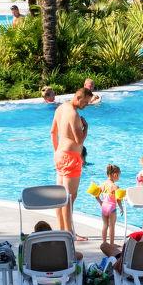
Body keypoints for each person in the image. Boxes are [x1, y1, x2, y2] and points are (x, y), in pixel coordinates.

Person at [52, 83, 94, 235]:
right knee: (69, 197)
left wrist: (56, 151)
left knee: (61, 196)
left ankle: (62, 230)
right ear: (78, 97)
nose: (86, 105)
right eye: (85, 102)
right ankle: (69, 234)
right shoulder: (74, 114)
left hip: (60, 155)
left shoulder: (60, 108)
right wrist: (86, 128)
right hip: (71, 158)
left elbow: (53, 132)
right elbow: (79, 140)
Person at [92, 163, 127, 250]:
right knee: (112, 226)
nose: (119, 177)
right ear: (115, 174)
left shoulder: (103, 184)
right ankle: (111, 244)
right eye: (119, 175)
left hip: (104, 207)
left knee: (105, 225)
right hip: (112, 208)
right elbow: (118, 199)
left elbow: (95, 194)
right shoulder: (115, 186)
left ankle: (104, 242)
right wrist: (121, 208)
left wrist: (100, 202)